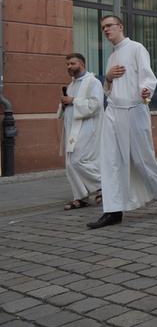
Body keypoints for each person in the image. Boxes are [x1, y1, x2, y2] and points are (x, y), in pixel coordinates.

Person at [87, 15, 157, 229]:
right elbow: (108, 91)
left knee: (142, 158)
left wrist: (146, 89)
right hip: (114, 112)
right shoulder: (111, 58)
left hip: (135, 110)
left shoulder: (136, 48)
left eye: (109, 26)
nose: (106, 30)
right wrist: (107, 78)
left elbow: (148, 76)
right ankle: (113, 211)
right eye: (103, 28)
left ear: (120, 26)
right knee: (111, 161)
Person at [57, 53, 103, 210]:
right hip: (72, 129)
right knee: (70, 164)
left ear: (82, 65)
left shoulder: (93, 82)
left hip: (87, 128)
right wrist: (64, 105)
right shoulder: (71, 85)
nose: (69, 66)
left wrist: (74, 101)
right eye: (68, 64)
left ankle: (103, 184)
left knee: (79, 160)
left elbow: (96, 104)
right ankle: (81, 197)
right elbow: (67, 107)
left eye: (72, 64)